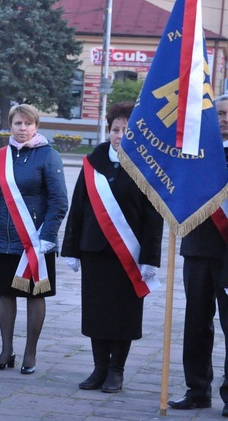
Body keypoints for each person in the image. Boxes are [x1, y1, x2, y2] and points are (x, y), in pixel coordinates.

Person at [61, 102, 162, 393]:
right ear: (109, 131)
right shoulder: (93, 162)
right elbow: (78, 206)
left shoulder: (145, 164)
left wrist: (150, 258)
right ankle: (99, 368)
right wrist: (70, 248)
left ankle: (117, 369)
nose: (120, 135)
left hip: (130, 256)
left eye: (126, 129)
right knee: (97, 312)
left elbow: (152, 217)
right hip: (95, 250)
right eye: (115, 129)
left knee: (124, 314)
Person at [0, 104, 68, 374]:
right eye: (17, 123)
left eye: (28, 123)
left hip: (35, 241)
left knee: (34, 294)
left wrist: (47, 237)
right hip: (4, 239)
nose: (22, 128)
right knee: (6, 294)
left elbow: (59, 201)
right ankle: (6, 351)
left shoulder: (48, 156)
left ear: (36, 126)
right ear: (10, 125)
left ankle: (30, 353)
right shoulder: (0, 156)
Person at [168, 94, 228, 415]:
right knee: (195, 324)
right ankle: (197, 389)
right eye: (219, 113)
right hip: (198, 249)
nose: (224, 119)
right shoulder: (194, 154)